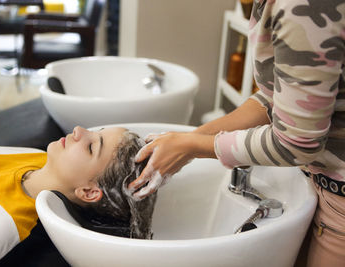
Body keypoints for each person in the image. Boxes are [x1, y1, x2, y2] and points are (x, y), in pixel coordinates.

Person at [129, 0, 345, 266]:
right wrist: (188, 142)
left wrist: (196, 146)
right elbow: (274, 97)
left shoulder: (298, 6)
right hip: (318, 180)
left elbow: (296, 143)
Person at [0, 126, 157, 266]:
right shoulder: (41, 157)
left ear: (89, 192)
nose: (79, 131)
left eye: (91, 147)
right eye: (97, 131)